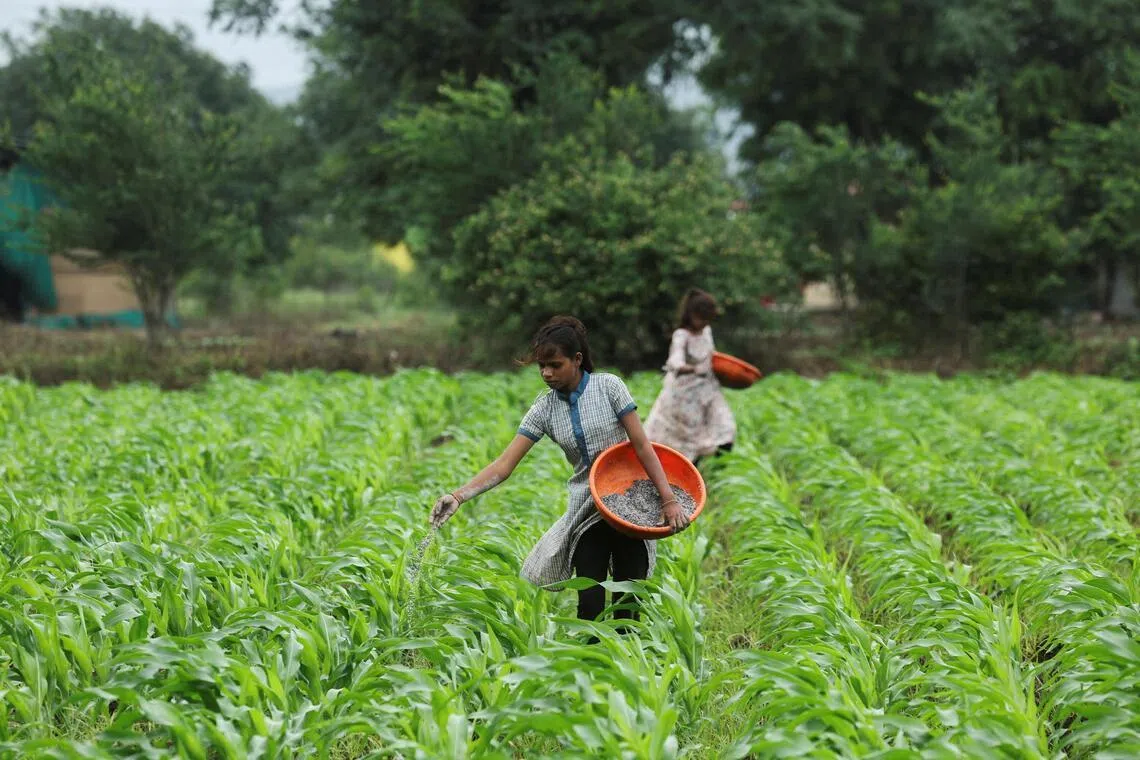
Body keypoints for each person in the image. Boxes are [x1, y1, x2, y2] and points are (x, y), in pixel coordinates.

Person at [430, 316, 689, 624]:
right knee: (589, 604)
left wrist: (668, 500)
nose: (546, 373)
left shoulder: (609, 387)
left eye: (555, 365)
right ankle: (590, 652)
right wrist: (458, 496)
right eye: (542, 366)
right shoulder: (544, 409)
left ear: (577, 360)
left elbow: (643, 446)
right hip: (587, 509)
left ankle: (626, 652)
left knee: (628, 602)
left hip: (630, 505)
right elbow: (504, 464)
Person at [644, 289, 736, 465]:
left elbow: (712, 355)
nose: (703, 323)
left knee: (725, 426)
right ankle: (689, 470)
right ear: (691, 315)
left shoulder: (706, 331)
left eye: (707, 319)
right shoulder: (682, 335)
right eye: (701, 319)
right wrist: (695, 369)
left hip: (708, 390)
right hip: (684, 396)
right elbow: (675, 362)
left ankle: (717, 467)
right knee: (685, 439)